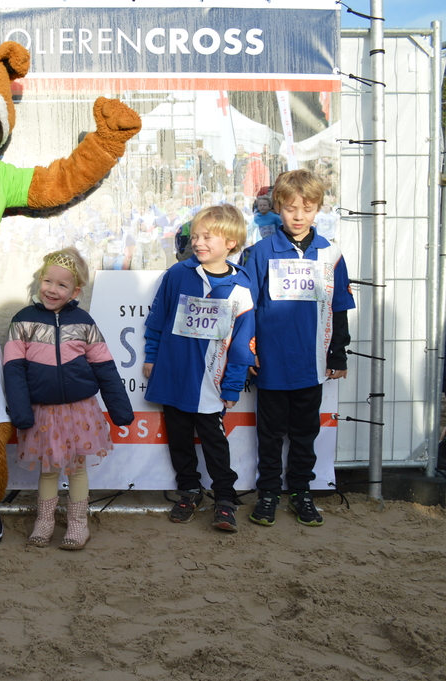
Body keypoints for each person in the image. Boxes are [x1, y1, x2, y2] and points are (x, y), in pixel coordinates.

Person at [240, 169, 355, 527]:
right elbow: (246, 308)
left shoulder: (331, 254)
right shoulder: (259, 252)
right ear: (277, 207)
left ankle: (302, 492)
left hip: (311, 363)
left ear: (318, 208)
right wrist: (248, 351)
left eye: (307, 208)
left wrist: (338, 353)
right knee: (270, 435)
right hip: (271, 363)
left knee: (305, 434)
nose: (299, 215)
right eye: (291, 208)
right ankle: (269, 493)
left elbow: (339, 307)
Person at [4, 247, 133, 550]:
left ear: (75, 291)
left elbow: (105, 367)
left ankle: (78, 524)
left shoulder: (84, 322)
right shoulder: (23, 321)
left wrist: (120, 410)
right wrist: (21, 411)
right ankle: (44, 521)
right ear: (40, 281)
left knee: (76, 468)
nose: (52, 289)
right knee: (48, 470)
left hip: (79, 411)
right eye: (47, 281)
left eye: (61, 285)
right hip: (43, 412)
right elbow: (13, 369)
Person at [142, 205, 255, 531]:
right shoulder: (177, 274)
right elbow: (157, 321)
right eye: (195, 236)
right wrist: (151, 356)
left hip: (210, 385)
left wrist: (232, 385)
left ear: (231, 243)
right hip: (174, 377)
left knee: (215, 445)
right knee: (179, 441)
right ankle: (189, 491)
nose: (198, 242)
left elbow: (242, 343)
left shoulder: (242, 287)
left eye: (207, 237)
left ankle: (224, 499)